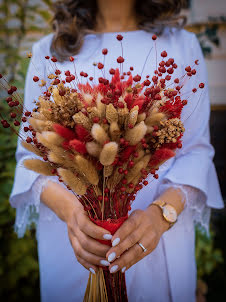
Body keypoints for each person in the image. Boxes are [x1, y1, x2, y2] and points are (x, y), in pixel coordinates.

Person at [10, 0, 224, 301]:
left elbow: (196, 152)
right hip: (77, 254)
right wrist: (72, 214)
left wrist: (160, 216)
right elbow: (32, 157)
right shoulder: (50, 51)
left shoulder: (181, 46)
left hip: (159, 251)